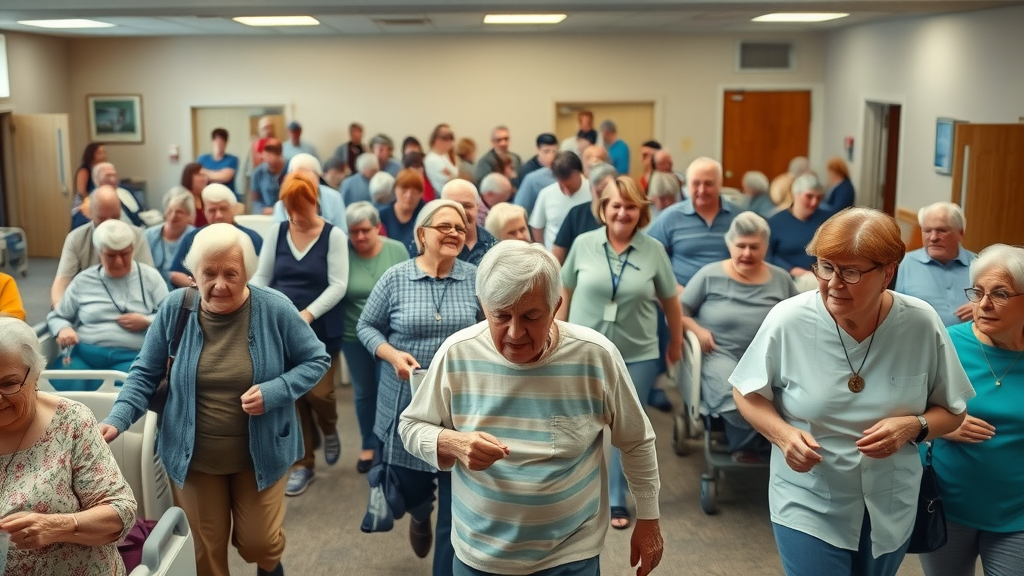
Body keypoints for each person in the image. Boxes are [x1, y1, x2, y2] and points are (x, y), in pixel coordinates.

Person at [730, 207, 974, 576]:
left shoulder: (921, 323)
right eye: (826, 267)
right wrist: (782, 435)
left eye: (851, 271)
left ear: (888, 272)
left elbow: (952, 409)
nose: (833, 283)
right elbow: (747, 391)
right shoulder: (789, 319)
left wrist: (915, 426)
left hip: (890, 501)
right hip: (808, 496)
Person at [399, 240, 664, 576]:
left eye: (530, 316)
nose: (514, 332)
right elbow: (411, 427)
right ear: (483, 306)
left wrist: (649, 518)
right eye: (501, 315)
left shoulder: (595, 356)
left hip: (570, 556)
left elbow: (637, 440)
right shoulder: (457, 353)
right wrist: (452, 442)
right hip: (479, 554)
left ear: (556, 306)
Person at [100, 223, 332, 576]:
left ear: (247, 274)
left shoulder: (275, 308)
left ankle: (270, 566)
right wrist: (117, 419)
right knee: (205, 552)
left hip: (263, 453)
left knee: (260, 542)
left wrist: (275, 392)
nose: (219, 284)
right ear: (193, 273)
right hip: (192, 455)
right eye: (209, 273)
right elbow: (144, 373)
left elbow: (317, 360)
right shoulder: (175, 308)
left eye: (231, 273)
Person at [357, 199, 479, 576]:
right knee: (412, 494)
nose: (454, 233)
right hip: (406, 406)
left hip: (460, 407)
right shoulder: (395, 277)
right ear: (421, 234)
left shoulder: (476, 277)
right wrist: (392, 355)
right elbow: (366, 326)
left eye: (459, 228)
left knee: (455, 510)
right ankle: (420, 513)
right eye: (444, 226)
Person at [557, 176, 682, 530]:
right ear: (604, 208)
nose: (622, 212)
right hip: (583, 350)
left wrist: (675, 341)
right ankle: (573, 492)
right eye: (615, 205)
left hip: (638, 352)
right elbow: (564, 292)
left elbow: (671, 301)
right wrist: (557, 335)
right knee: (580, 422)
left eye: (630, 206)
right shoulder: (583, 244)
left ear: (640, 212)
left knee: (626, 427)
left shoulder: (653, 249)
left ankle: (615, 497)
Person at [0, 317, 137, 576]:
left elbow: (121, 512)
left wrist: (57, 526)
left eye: (8, 383)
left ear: (36, 375)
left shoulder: (70, 422)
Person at [919, 244, 1024, 576]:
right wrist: (943, 425)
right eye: (977, 292)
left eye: (1001, 294)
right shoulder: (947, 343)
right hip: (947, 504)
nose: (984, 305)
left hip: (1017, 513)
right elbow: (899, 411)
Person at [251, 172, 348, 496]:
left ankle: (329, 428)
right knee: (293, 397)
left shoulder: (333, 235)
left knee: (321, 394)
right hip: (280, 327)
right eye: (289, 208)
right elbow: (263, 276)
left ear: (313, 201)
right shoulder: (277, 232)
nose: (294, 216)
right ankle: (303, 464)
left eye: (300, 208)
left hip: (318, 327)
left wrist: (306, 314)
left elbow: (338, 284)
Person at [682, 213, 798, 462]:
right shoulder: (709, 274)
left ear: (766, 247)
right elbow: (680, 311)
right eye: (741, 246)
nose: (746, 253)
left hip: (769, 357)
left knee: (792, 393)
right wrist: (697, 329)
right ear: (729, 245)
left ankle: (751, 442)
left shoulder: (781, 279)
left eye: (754, 247)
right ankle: (766, 438)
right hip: (720, 353)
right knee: (735, 394)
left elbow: (797, 317)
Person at [48, 219, 168, 389]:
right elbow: (58, 315)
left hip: (133, 357)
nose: (119, 262)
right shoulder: (83, 280)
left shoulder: (150, 278)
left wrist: (147, 321)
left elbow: (172, 318)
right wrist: (63, 328)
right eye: (111, 255)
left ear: (133, 250)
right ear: (100, 253)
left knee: (127, 394)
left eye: (125, 254)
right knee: (63, 394)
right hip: (85, 355)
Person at [341, 201, 410, 472]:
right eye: (353, 231)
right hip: (353, 334)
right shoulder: (342, 253)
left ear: (378, 227)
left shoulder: (396, 249)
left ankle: (389, 444)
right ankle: (368, 444)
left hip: (390, 335)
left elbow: (408, 287)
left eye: (365, 230)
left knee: (388, 387)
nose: (359, 237)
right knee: (364, 391)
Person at [51, 186, 155, 306]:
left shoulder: (136, 235)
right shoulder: (76, 238)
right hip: (87, 303)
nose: (109, 223)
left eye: (115, 217)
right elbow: (62, 280)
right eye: (102, 218)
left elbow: (150, 280)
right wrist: (60, 310)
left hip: (129, 304)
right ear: (90, 213)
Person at [648, 157, 738, 288]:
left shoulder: (739, 218)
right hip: (680, 299)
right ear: (687, 186)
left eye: (708, 184)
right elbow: (648, 257)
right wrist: (670, 290)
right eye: (696, 184)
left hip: (728, 297)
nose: (702, 190)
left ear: (720, 184)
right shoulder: (670, 217)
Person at [895, 202, 976, 327]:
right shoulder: (905, 263)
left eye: (942, 231)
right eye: (927, 231)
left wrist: (983, 307)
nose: (933, 238)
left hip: (968, 342)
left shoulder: (979, 264)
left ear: (960, 233)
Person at [168, 184, 264, 289]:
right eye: (212, 210)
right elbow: (175, 274)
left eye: (223, 209)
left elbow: (263, 275)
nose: (218, 215)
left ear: (234, 209)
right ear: (204, 212)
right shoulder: (193, 238)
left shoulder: (251, 238)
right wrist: (201, 287)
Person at [768, 173, 835, 289]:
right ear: (796, 195)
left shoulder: (829, 220)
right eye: (809, 196)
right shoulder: (775, 222)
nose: (814, 202)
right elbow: (768, 255)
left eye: (819, 198)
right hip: (787, 279)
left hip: (823, 279)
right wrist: (791, 269)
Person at [551, 162, 617, 264]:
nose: (604, 196)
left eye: (608, 190)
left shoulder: (622, 216)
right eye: (599, 191)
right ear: (591, 189)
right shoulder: (576, 215)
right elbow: (557, 255)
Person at [529, 152, 592, 249]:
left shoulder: (593, 192)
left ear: (580, 173)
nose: (566, 191)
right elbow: (537, 226)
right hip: (554, 256)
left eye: (570, 186)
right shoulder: (546, 194)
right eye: (562, 185)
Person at [271, 153, 346, 227]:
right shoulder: (281, 204)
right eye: (298, 179)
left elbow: (343, 232)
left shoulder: (335, 197)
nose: (303, 185)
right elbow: (279, 235)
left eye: (307, 179)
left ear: (318, 177)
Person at [145, 187, 196, 289]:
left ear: (189, 215)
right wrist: (172, 276)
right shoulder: (148, 235)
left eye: (179, 212)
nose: (173, 215)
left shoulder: (194, 237)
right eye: (170, 210)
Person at [440, 180, 497, 266]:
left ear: (477, 207)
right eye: (454, 206)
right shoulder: (434, 247)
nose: (462, 212)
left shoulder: (493, 246)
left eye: (467, 206)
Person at [379, 168, 426, 254]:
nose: (409, 196)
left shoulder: (426, 215)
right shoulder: (382, 216)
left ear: (421, 194)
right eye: (404, 191)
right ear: (395, 189)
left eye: (414, 192)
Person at [197, 128, 240, 199]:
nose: (219, 143)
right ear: (212, 141)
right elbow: (198, 178)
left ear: (226, 143)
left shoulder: (232, 159)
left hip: (227, 197)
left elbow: (225, 177)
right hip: (207, 197)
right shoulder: (202, 158)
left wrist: (205, 173)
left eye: (222, 141)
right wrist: (218, 174)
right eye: (216, 140)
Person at [72, 143, 106, 229]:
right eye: (99, 153)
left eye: (104, 152)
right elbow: (81, 191)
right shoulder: (84, 170)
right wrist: (92, 204)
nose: (103, 155)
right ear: (91, 155)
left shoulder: (100, 169)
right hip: (83, 203)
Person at [250, 138, 286, 214]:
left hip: (286, 213)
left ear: (280, 154)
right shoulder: (257, 173)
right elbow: (255, 200)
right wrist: (262, 210)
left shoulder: (289, 169)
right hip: (265, 214)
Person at [424, 124, 459, 194]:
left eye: (451, 137)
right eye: (446, 137)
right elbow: (450, 179)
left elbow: (454, 175)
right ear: (436, 139)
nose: (451, 141)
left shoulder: (445, 156)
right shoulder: (432, 159)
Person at [181, 162, 210, 227]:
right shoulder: (183, 199)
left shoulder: (205, 197)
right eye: (200, 175)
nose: (204, 179)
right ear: (189, 177)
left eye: (205, 175)